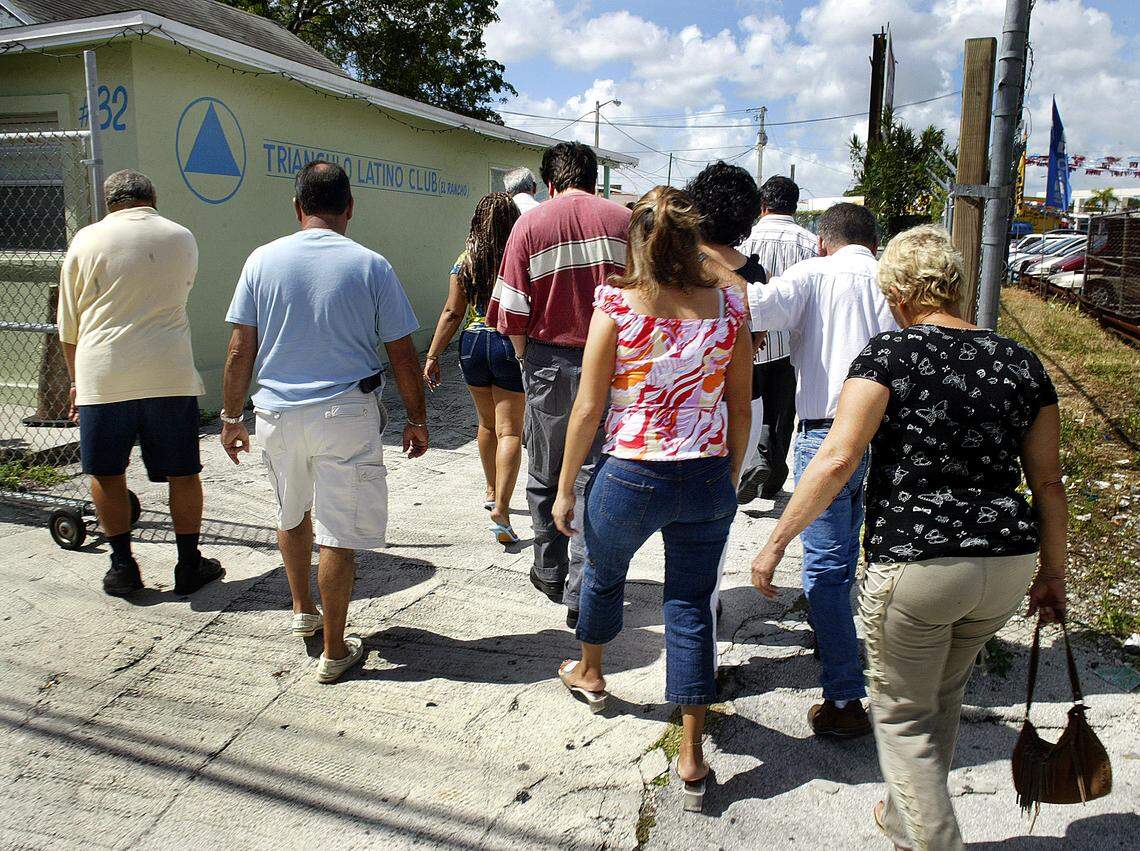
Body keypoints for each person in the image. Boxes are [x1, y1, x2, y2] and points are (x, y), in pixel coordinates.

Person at [752, 225, 1066, 850]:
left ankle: (930, 839)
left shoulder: (887, 356)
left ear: (896, 292)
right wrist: (1053, 575)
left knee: (900, 717)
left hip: (921, 567)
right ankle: (902, 818)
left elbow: (838, 458)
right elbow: (1049, 485)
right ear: (954, 286)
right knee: (940, 700)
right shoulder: (1019, 362)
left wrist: (777, 541)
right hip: (1005, 562)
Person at [552, 187, 752, 814]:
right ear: (695, 239)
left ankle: (591, 671)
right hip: (706, 476)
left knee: (604, 573)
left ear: (635, 239)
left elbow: (588, 407)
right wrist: (729, 470)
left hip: (632, 473)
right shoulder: (729, 309)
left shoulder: (617, 305)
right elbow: (739, 407)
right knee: (691, 605)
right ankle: (692, 758)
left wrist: (563, 487)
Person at [220, 161, 428, 684]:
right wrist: (417, 419)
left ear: (297, 208)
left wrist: (229, 417)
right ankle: (335, 650)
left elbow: (239, 348)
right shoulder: (372, 265)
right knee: (338, 532)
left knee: (291, 515)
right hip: (347, 415)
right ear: (350, 208)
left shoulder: (261, 261)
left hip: (277, 415)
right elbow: (401, 353)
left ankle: (302, 610)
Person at [747, 202, 896, 737]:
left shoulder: (812, 272)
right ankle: (867, 660)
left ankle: (844, 697)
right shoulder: (890, 277)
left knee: (827, 570)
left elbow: (754, 311)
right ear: (872, 243)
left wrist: (722, 265)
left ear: (823, 241)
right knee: (869, 557)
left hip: (826, 433)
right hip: (887, 433)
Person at [57, 169, 223, 598]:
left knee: (106, 472)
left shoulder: (84, 241)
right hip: (168, 371)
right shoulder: (181, 237)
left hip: (103, 373)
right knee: (183, 472)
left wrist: (77, 383)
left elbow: (68, 327)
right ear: (152, 198)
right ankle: (189, 564)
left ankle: (123, 567)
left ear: (109, 202)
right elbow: (180, 290)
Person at [486, 141, 631, 628]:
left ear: (550, 182)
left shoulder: (530, 224)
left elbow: (511, 311)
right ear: (593, 178)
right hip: (614, 362)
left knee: (547, 470)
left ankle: (550, 570)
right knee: (594, 475)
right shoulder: (624, 222)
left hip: (550, 361)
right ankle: (582, 587)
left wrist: (530, 361)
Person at [423, 193, 524, 543]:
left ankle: (491, 489)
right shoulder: (519, 256)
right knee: (510, 432)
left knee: (485, 424)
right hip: (507, 342)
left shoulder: (464, 260)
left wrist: (433, 355)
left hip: (472, 343)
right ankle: (503, 510)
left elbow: (452, 312)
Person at [685, 162, 766, 504]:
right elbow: (757, 336)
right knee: (718, 511)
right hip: (740, 399)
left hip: (685, 399)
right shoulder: (754, 273)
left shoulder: (677, 261)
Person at [739, 176, 818, 501]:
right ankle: (772, 480)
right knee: (782, 414)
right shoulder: (811, 242)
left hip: (747, 342)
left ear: (762, 204)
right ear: (795, 206)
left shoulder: (745, 239)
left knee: (748, 405)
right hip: (789, 344)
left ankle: (750, 464)